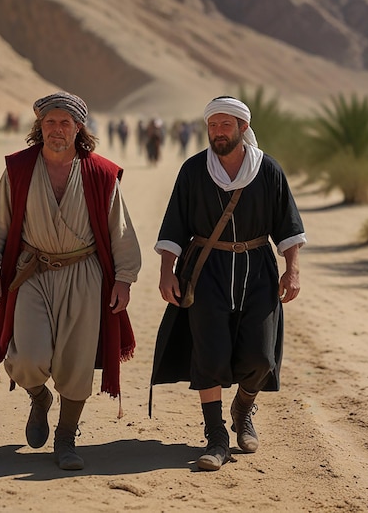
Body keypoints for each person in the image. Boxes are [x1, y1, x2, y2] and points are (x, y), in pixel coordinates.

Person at [0, 91, 141, 471]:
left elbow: (120, 231)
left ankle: (66, 437)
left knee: (75, 363)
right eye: (49, 122)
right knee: (25, 357)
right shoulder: (18, 170)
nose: (56, 129)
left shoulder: (100, 173)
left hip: (84, 276)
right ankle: (39, 397)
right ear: (39, 127)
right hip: (31, 273)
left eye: (65, 122)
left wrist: (124, 279)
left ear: (79, 128)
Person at [151, 95, 306, 471]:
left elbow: (287, 226)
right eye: (213, 125)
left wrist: (293, 268)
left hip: (257, 269)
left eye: (226, 125)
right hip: (207, 270)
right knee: (210, 354)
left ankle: (243, 408)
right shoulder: (192, 171)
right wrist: (166, 270)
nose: (218, 132)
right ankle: (216, 435)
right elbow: (175, 224)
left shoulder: (267, 170)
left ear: (243, 128)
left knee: (260, 357)